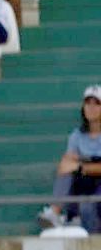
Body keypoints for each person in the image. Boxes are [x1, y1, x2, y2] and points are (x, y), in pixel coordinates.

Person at [39, 84, 101, 232]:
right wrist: (71, 164)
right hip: (83, 183)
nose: (91, 108)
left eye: (96, 104)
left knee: (87, 206)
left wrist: (80, 166)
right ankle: (55, 212)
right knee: (66, 169)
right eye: (88, 103)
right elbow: (65, 165)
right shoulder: (76, 136)